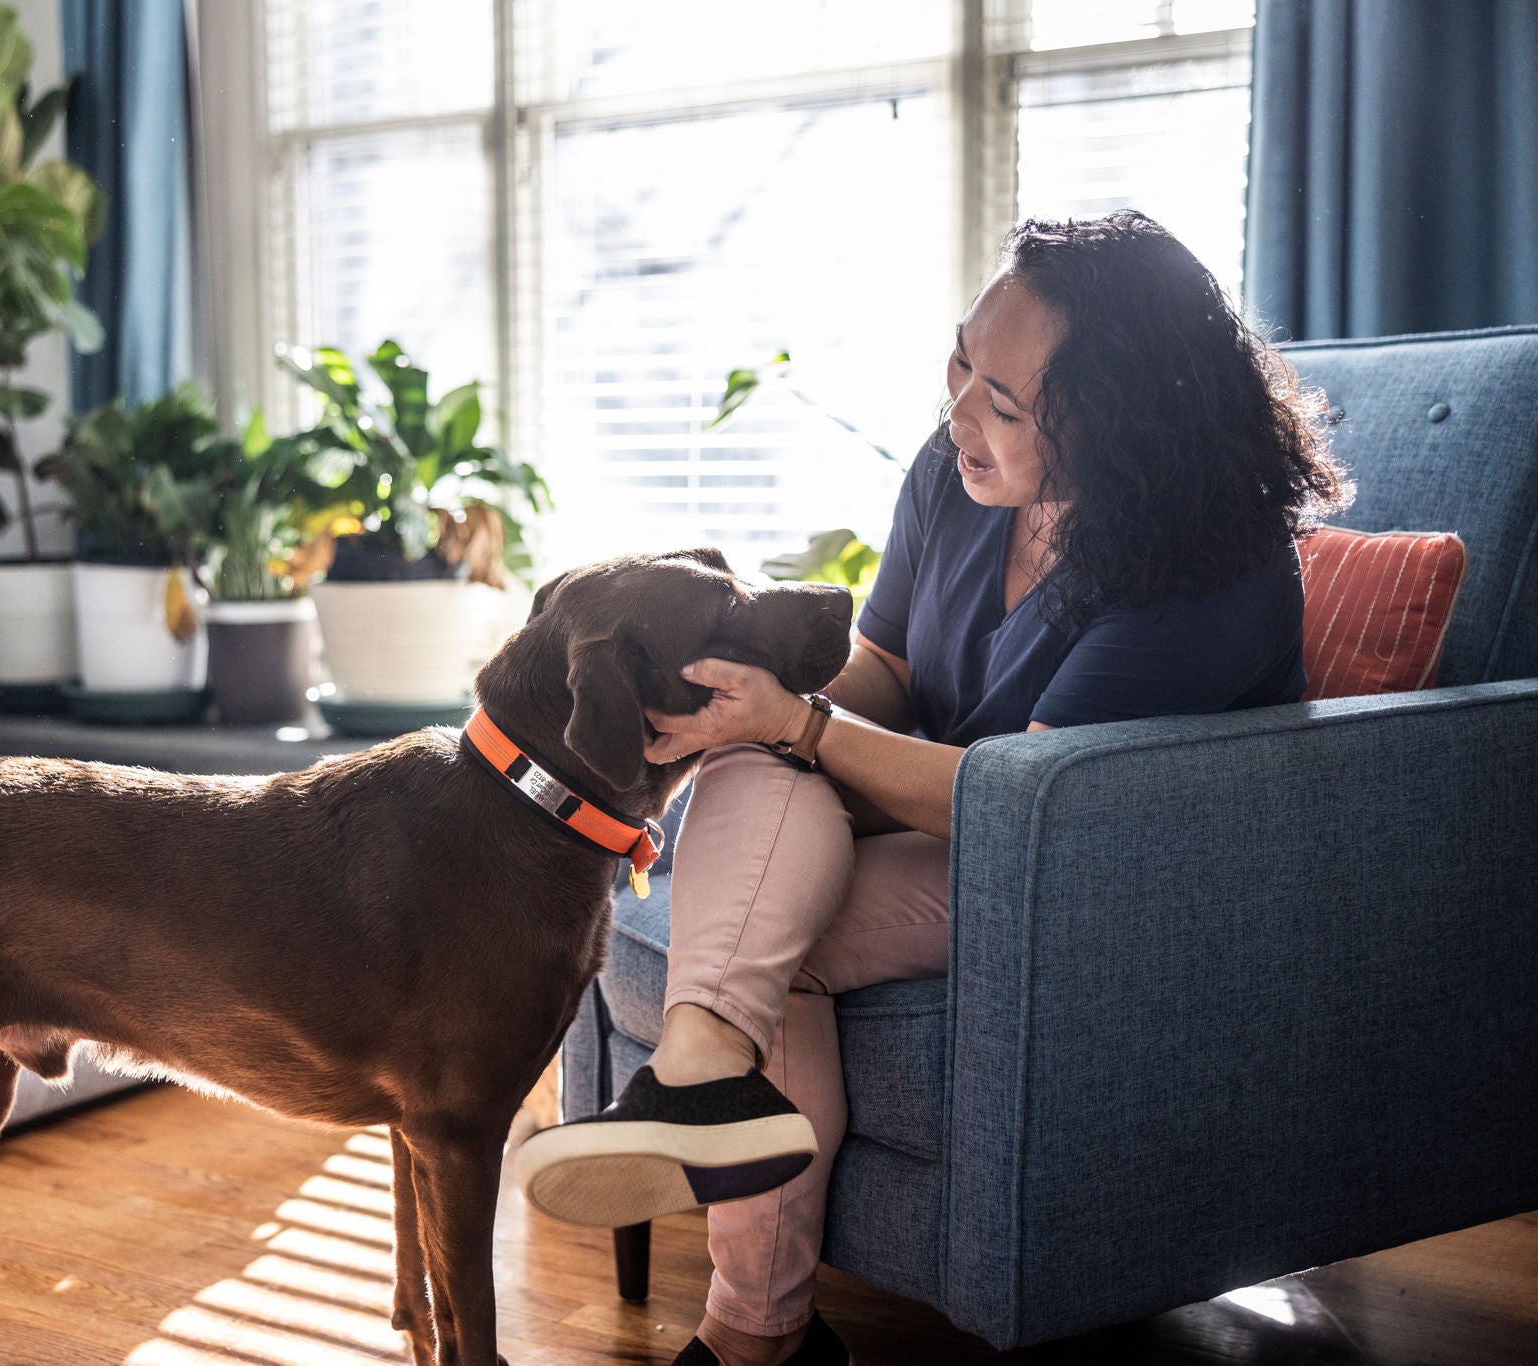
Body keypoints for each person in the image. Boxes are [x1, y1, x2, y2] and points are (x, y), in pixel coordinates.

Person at [513, 210, 1351, 1366]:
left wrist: (798, 721)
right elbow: (891, 674)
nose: (958, 409)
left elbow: (1025, 803)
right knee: (756, 770)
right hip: (959, 826)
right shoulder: (955, 473)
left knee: (772, 915)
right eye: (962, 360)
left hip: (1107, 872)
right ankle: (706, 1090)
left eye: (1002, 402)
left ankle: (750, 1310)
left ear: (1117, 426)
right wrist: (761, 698)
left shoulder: (1204, 563)